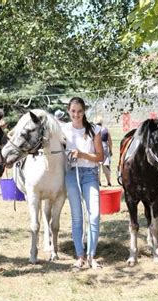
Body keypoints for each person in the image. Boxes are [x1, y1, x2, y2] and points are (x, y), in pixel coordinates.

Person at [62, 97, 104, 269]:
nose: (76, 115)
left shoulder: (94, 130)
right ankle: (80, 256)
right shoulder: (63, 129)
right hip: (72, 174)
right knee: (77, 217)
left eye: (79, 111)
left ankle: (92, 255)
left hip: (90, 174)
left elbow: (101, 156)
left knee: (94, 214)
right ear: (68, 111)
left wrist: (82, 154)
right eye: (73, 111)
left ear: (84, 111)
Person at [95, 117, 113, 186]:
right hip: (105, 147)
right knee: (106, 165)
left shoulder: (94, 130)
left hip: (96, 147)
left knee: (97, 166)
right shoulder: (106, 130)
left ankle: (99, 182)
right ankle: (108, 181)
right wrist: (110, 150)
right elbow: (110, 141)